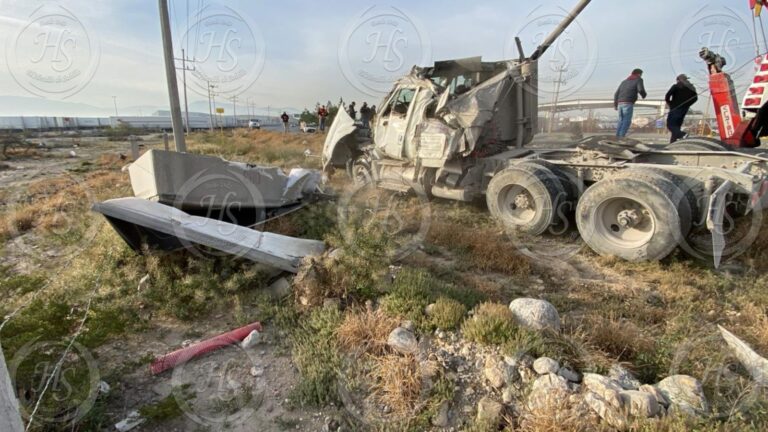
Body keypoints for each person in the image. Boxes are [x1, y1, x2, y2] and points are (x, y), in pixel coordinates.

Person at [614, 68, 647, 138]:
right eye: (641, 74)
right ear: (639, 74)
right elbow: (640, 89)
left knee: (621, 120)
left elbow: (616, 94)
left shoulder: (624, 82)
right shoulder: (638, 79)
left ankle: (617, 136)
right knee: (627, 120)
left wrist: (615, 105)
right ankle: (621, 137)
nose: (641, 76)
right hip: (628, 103)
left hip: (620, 103)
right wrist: (644, 95)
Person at [665, 74, 698, 143]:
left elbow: (667, 95)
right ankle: (673, 142)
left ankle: (683, 134)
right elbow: (695, 98)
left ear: (679, 80)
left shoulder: (676, 86)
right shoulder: (691, 87)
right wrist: (687, 105)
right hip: (684, 109)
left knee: (670, 125)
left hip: (675, 108)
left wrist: (670, 103)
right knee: (677, 126)